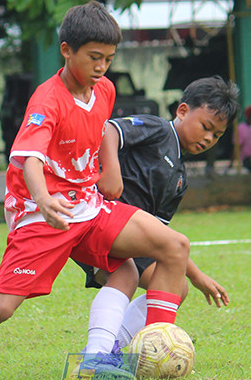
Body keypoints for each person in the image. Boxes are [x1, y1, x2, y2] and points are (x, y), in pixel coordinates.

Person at [0, 0, 191, 380]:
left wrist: (106, 168)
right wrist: (44, 200)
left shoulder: (105, 89)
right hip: (43, 214)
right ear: (66, 50)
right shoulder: (46, 101)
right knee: (0, 308)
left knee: (169, 249)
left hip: (88, 206)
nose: (101, 67)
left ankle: (127, 353)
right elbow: (28, 158)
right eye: (94, 57)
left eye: (109, 59)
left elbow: (97, 133)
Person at [76, 76, 240, 358]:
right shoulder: (158, 129)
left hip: (131, 238)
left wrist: (198, 277)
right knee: (130, 275)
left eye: (217, 135)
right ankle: (151, 349)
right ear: (183, 110)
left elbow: (162, 238)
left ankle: (113, 347)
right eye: (205, 127)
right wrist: (112, 171)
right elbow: (109, 130)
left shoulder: (179, 178)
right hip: (100, 220)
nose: (208, 138)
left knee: (178, 286)